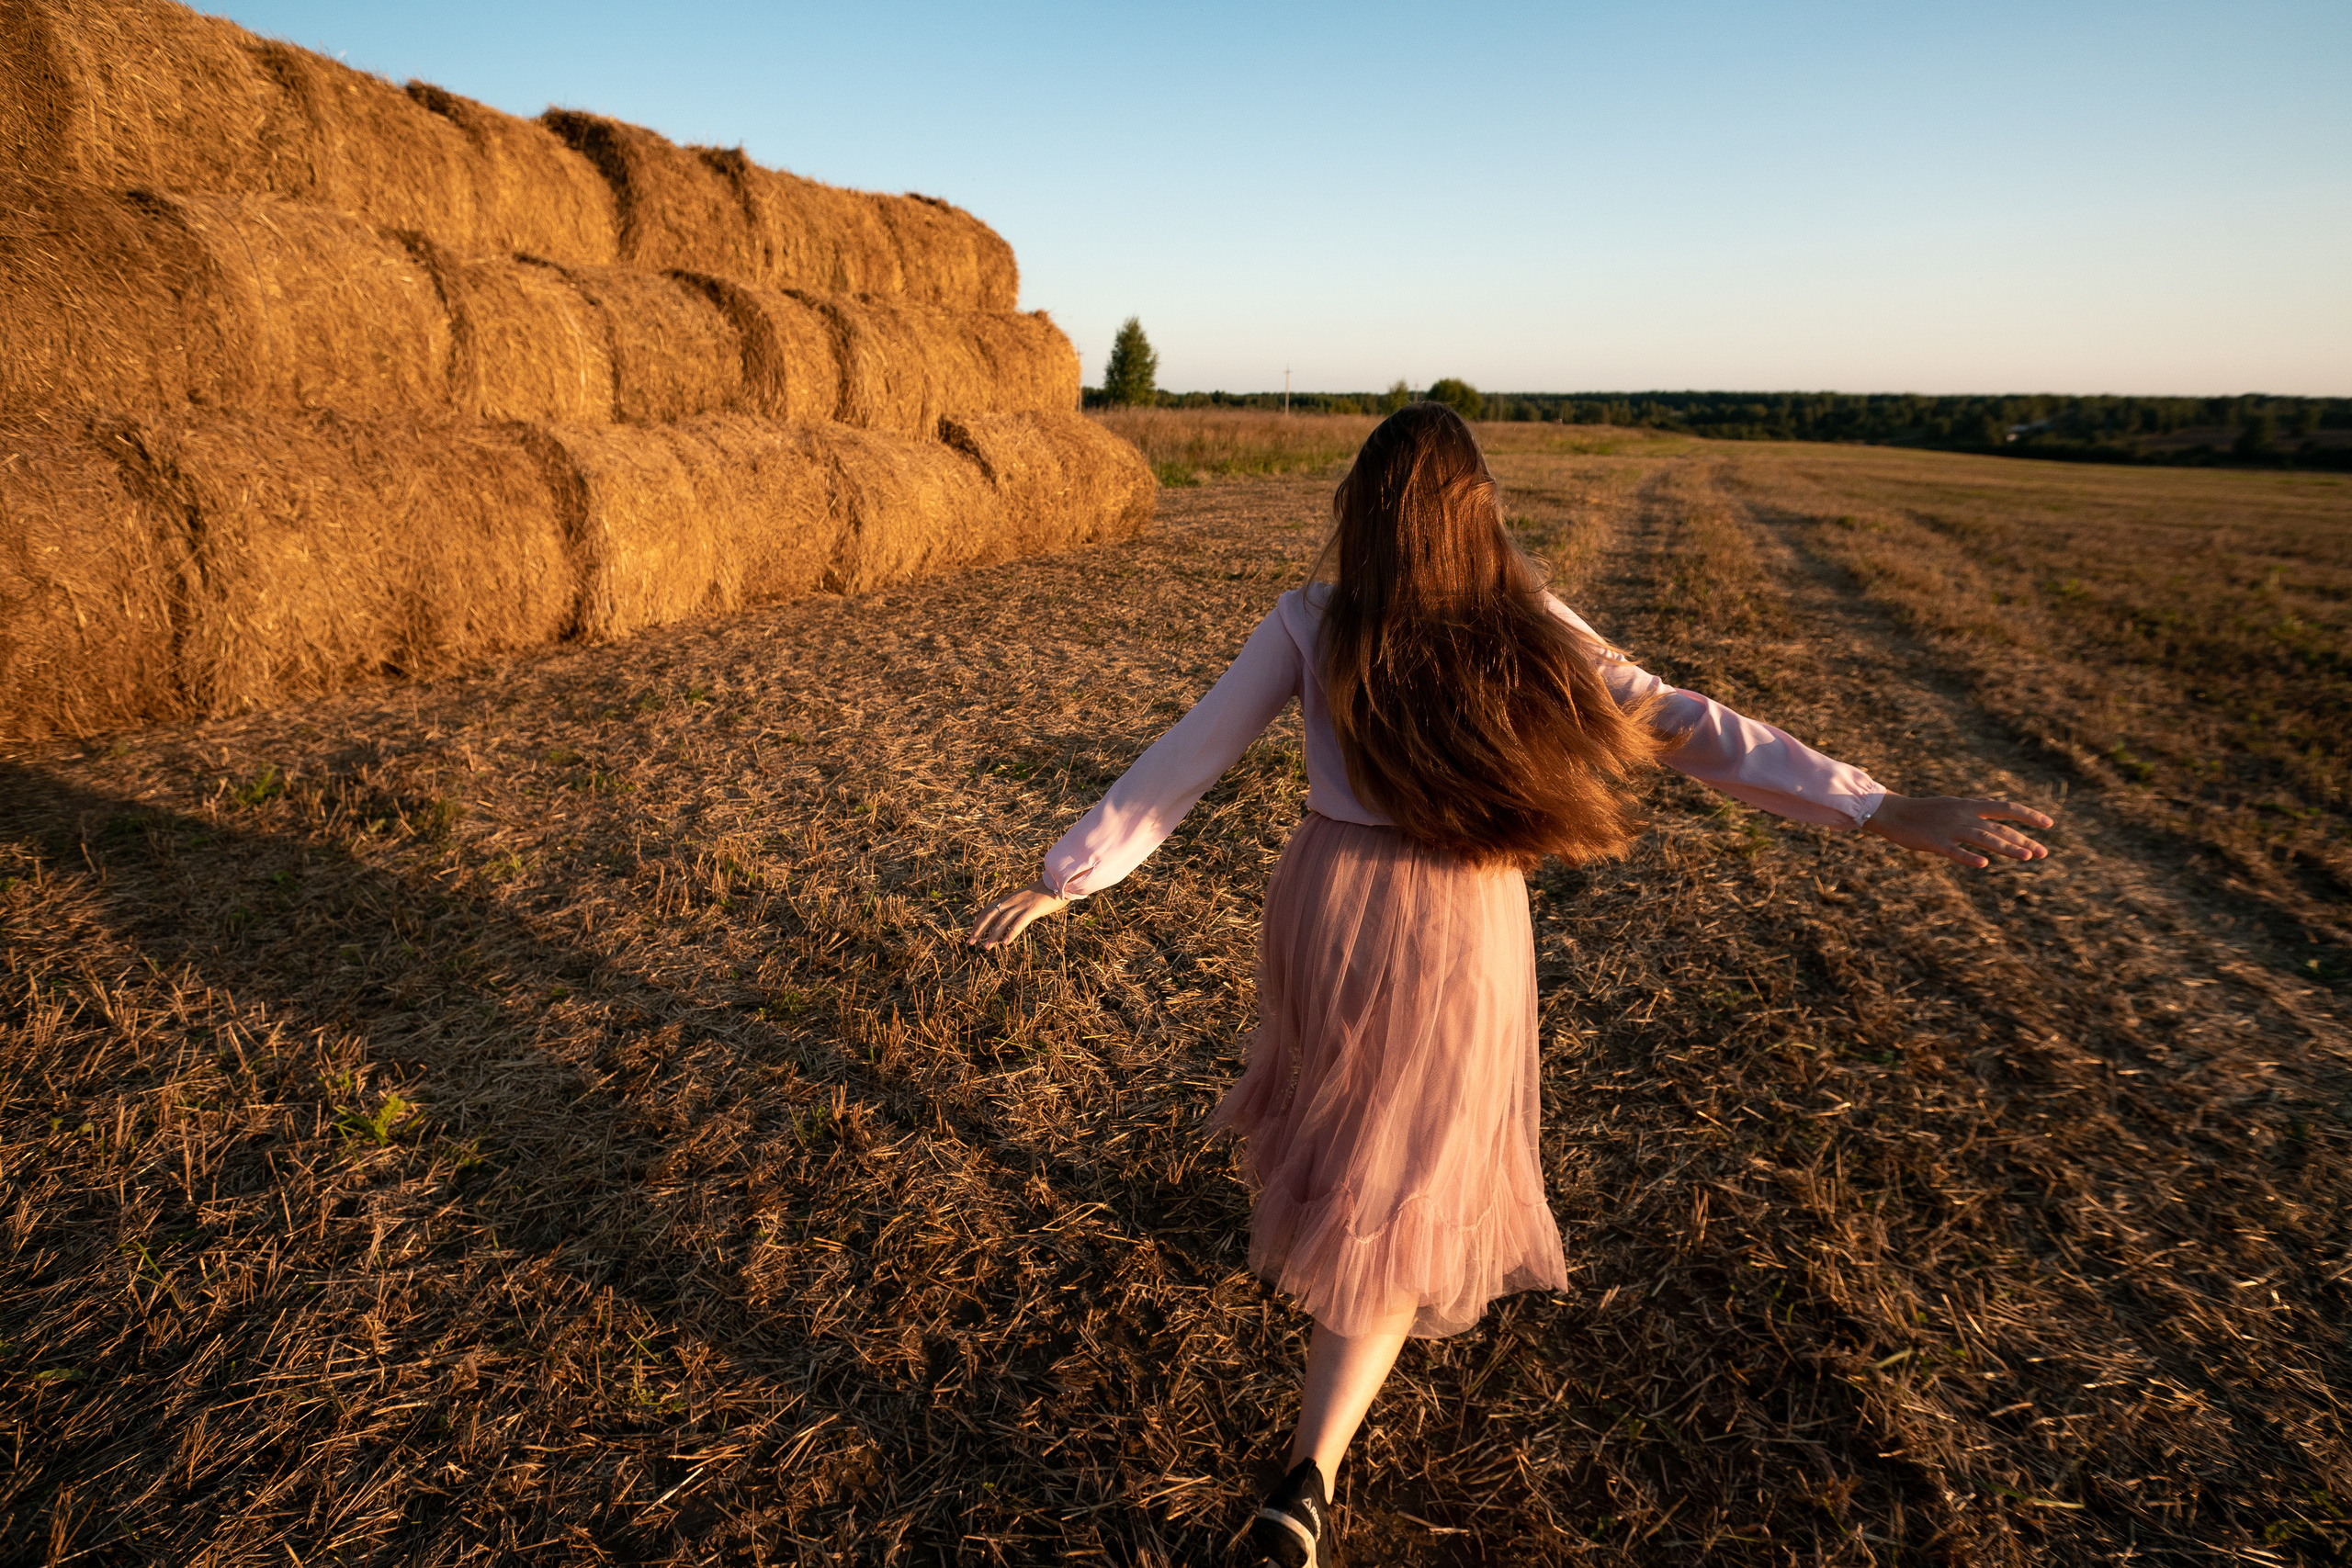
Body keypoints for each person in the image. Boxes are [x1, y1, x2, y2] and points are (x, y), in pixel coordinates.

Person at [967, 403, 2052, 1567]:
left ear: (1360, 513)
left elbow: (1188, 754)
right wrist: (1875, 804)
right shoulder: (1528, 623)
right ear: (1478, 511)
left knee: (1351, 1116)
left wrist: (1071, 876)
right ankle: (1307, 1477)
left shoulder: (1311, 618)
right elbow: (1683, 722)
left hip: (1329, 900)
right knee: (1410, 1161)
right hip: (1460, 909)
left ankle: (1313, 1412)